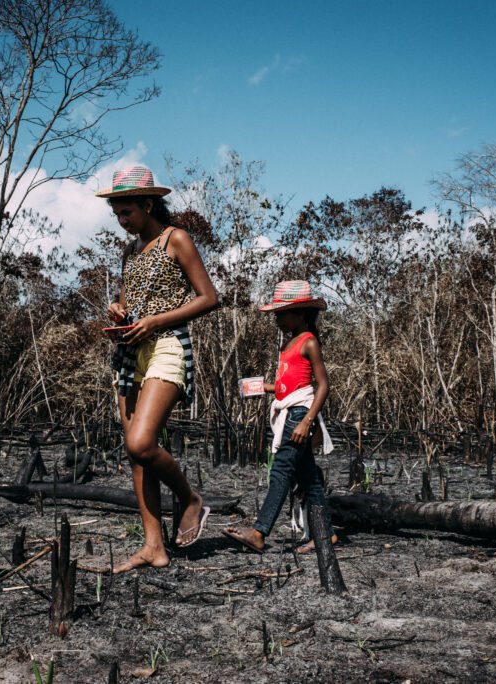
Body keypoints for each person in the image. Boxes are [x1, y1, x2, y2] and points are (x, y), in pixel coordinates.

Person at [98, 164, 218, 573]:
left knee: (141, 443)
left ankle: (190, 498)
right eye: (116, 213)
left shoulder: (176, 239)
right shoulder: (130, 252)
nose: (122, 220)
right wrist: (119, 312)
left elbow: (209, 298)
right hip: (132, 354)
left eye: (126, 211)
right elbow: (129, 303)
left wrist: (156, 321)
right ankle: (154, 546)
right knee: (137, 456)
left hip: (167, 346)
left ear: (148, 203)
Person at [223, 280, 336, 554]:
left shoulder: (309, 342)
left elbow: (322, 385)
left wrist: (307, 420)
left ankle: (260, 532)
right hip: (291, 409)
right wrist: (266, 388)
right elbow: (291, 384)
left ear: (301, 313)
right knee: (308, 478)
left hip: (300, 413)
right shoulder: (288, 344)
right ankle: (326, 535)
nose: (276, 319)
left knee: (281, 470)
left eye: (281, 313)